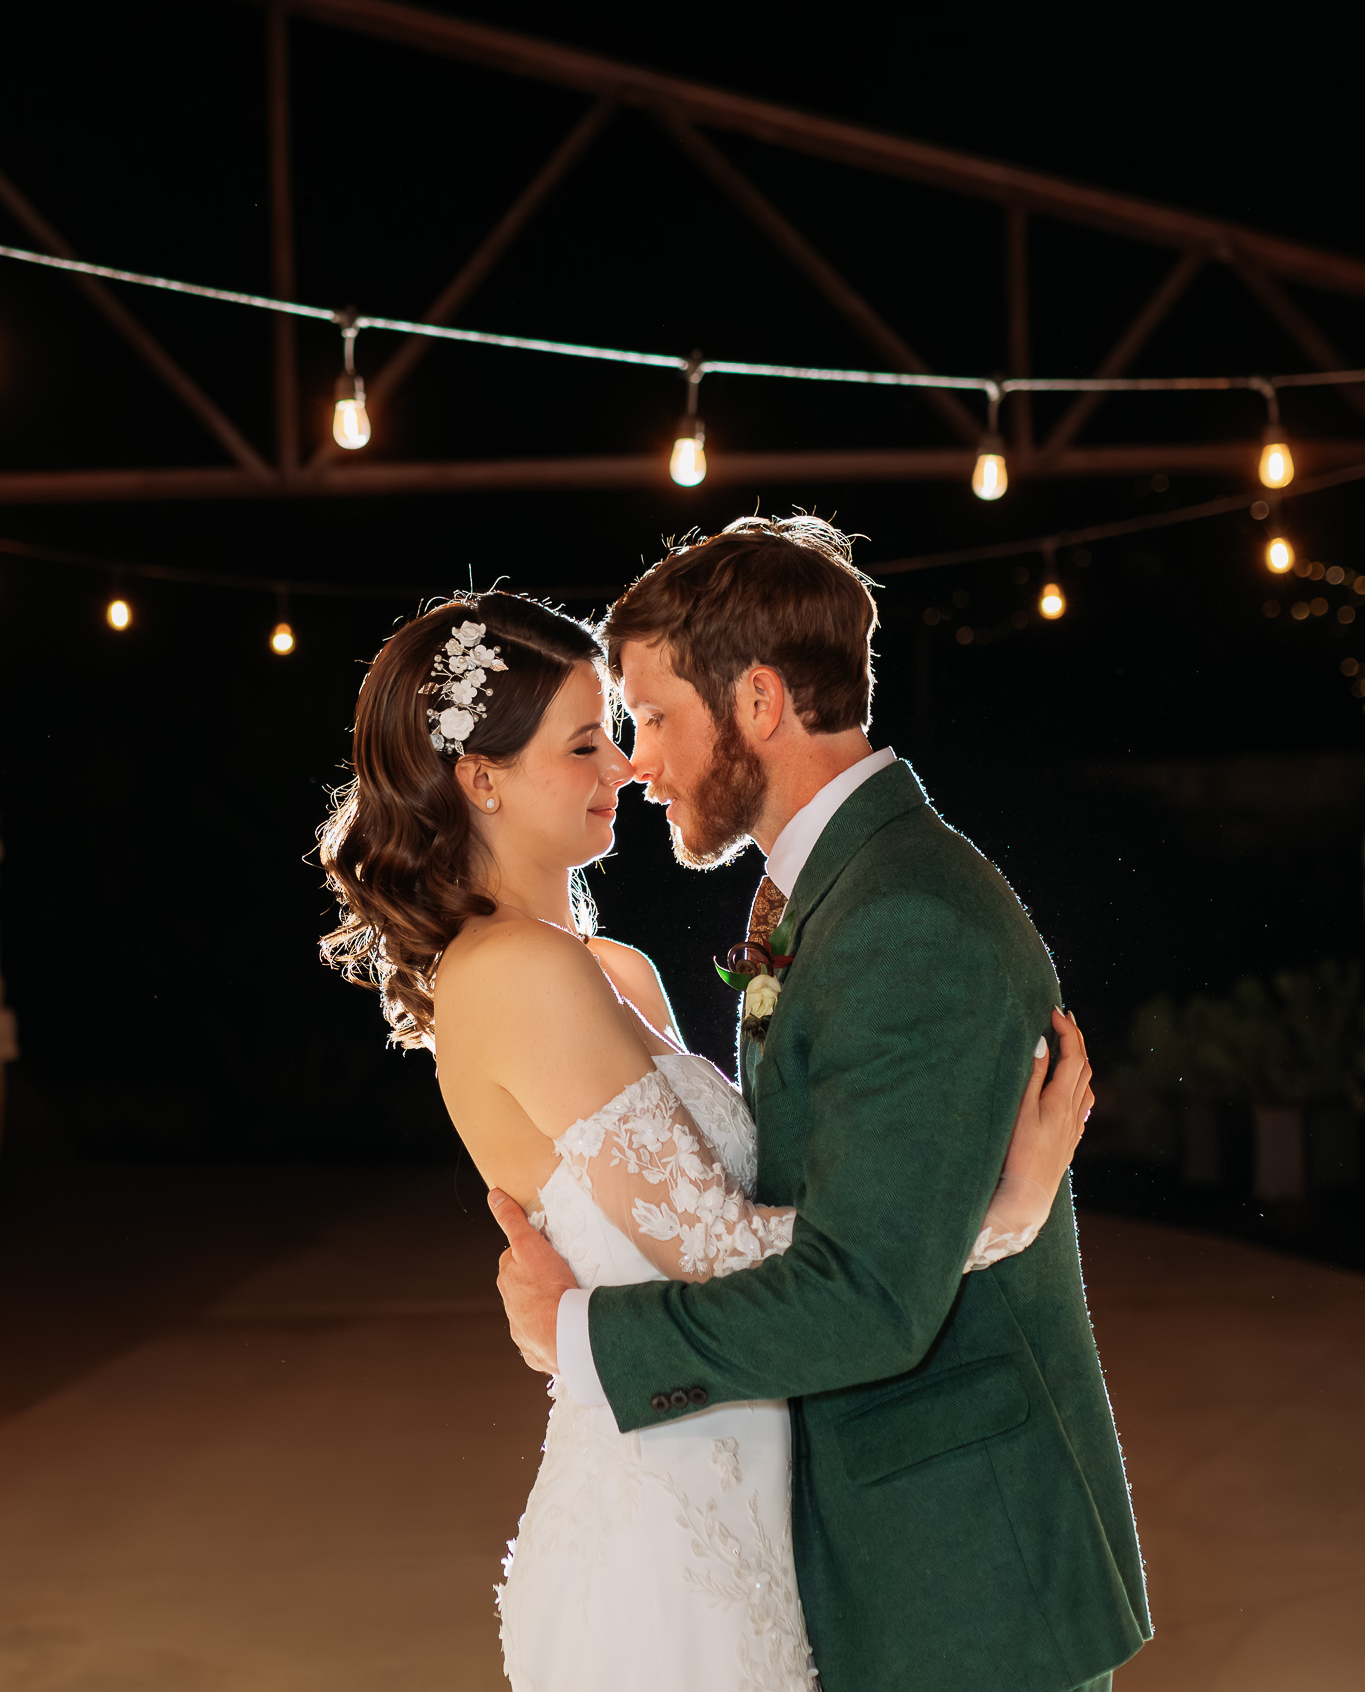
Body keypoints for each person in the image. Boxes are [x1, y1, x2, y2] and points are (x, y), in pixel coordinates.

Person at [318, 579, 1099, 1690]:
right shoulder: (509, 973)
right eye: (585, 743)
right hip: (661, 1531)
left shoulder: (617, 970)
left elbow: (767, 1196)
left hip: (751, 1499)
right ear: (481, 778)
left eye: (627, 726)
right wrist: (999, 1215)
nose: (622, 765)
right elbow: (723, 1248)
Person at [491, 518, 1151, 1692]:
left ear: (757, 700)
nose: (641, 763)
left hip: (963, 1578)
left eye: (655, 717)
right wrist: (996, 1211)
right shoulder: (841, 888)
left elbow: (869, 1294)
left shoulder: (906, 917)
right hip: (896, 1548)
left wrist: (579, 1335)